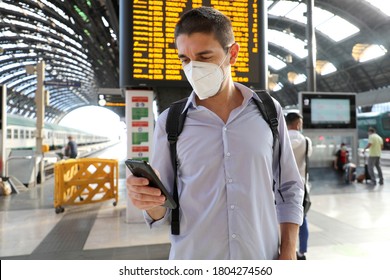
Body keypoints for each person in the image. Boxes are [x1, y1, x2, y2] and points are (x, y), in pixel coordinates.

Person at [126, 6, 304, 260]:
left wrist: (288, 252)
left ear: (232, 54)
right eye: (185, 60)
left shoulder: (269, 112)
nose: (193, 69)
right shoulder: (171, 122)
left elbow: (289, 186)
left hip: (260, 259)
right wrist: (146, 198)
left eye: (204, 57)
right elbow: (161, 211)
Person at [285, 112, 312, 260]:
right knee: (302, 220)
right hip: (300, 187)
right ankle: (301, 252)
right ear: (298, 124)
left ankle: (285, 252)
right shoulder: (306, 141)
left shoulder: (278, 138)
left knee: (279, 221)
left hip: (279, 188)